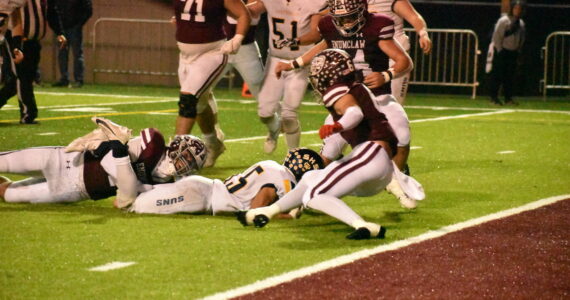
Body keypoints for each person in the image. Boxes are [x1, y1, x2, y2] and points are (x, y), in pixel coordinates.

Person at [238, 49, 423, 240]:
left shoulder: (338, 88)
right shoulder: (354, 85)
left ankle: (364, 225)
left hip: (371, 153)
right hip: (376, 166)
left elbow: (354, 113)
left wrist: (338, 126)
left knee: (315, 195)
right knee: (311, 178)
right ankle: (267, 212)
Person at [275, 0, 415, 204]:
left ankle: (396, 181)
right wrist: (293, 63)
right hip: (345, 98)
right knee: (329, 152)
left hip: (378, 96)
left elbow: (405, 62)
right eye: (341, 18)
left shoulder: (377, 25)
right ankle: (310, 193)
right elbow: (323, 45)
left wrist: (386, 75)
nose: (346, 23)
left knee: (402, 136)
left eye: (350, 17)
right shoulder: (329, 26)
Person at [0, 117, 207, 208]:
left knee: (10, 195)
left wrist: (125, 173)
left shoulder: (167, 185)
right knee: (4, 162)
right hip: (67, 160)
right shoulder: (153, 144)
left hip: (76, 190)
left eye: (192, 162)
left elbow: (124, 200)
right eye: (187, 155)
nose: (185, 163)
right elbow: (112, 160)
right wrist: (126, 178)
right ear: (177, 146)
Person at [127, 148, 324, 216]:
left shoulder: (272, 165)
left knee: (138, 195)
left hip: (203, 189)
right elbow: (256, 209)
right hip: (201, 197)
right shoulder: (284, 180)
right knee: (135, 205)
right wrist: (288, 216)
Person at [172, 0, 250, 168]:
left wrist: (238, 38)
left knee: (188, 99)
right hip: (185, 56)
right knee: (199, 105)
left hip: (212, 52)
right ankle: (213, 143)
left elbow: (243, 14)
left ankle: (175, 156)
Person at [246, 0, 326, 153]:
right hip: (275, 60)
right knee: (264, 113)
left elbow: (316, 34)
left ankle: (293, 155)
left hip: (300, 62)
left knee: (289, 114)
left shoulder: (315, 2)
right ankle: (274, 129)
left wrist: (294, 41)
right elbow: (249, 11)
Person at [0, 0, 66, 124]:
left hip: (30, 41)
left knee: (23, 79)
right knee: (20, 77)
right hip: (13, 41)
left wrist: (59, 32)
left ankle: (28, 112)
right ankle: (28, 113)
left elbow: (51, 12)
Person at [367, 0, 432, 105]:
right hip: (370, 56)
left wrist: (423, 33)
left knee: (393, 103)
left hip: (395, 58)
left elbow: (413, 16)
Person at [487, 0, 525, 106]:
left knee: (510, 77)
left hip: (513, 52)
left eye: (519, 9)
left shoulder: (521, 23)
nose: (517, 11)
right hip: (502, 51)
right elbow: (497, 36)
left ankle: (508, 98)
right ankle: (493, 98)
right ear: (512, 9)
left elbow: (522, 38)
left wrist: (518, 50)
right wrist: (499, 50)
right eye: (515, 8)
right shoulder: (504, 21)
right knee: (498, 75)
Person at [50, 0, 91, 88]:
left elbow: (88, 10)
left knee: (76, 53)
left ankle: (77, 79)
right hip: (65, 27)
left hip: (72, 27)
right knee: (64, 53)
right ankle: (66, 79)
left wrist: (79, 24)